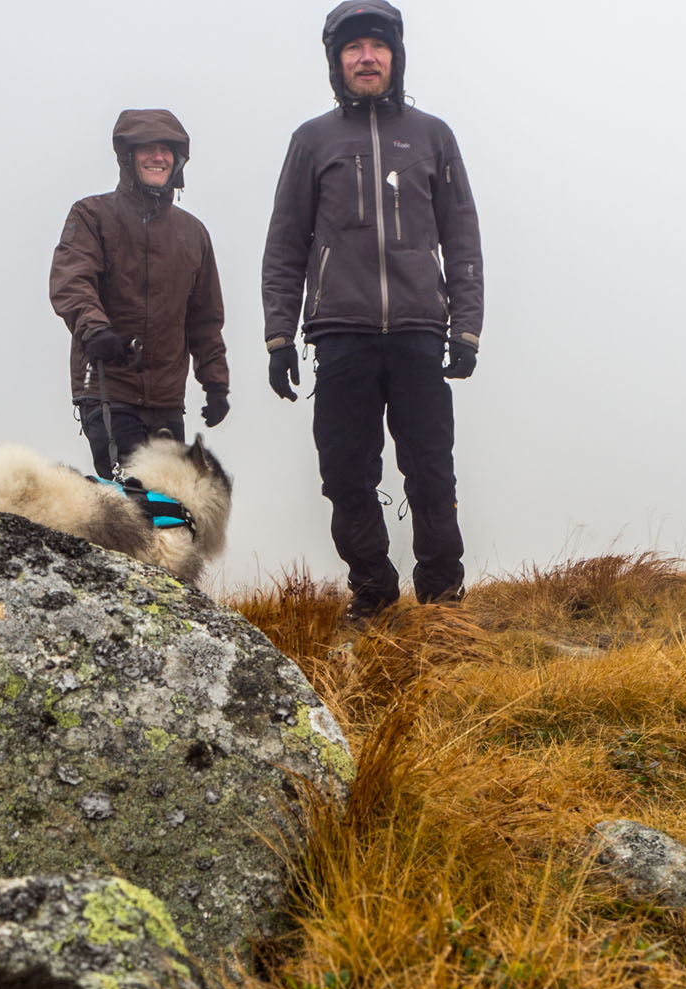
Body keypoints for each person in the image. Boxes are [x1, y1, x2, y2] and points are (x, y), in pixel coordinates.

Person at [262, 0, 484, 623]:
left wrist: (465, 327)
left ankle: (441, 597)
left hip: (419, 330)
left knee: (431, 472)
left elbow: (462, 236)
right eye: (353, 48)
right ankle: (375, 594)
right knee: (345, 475)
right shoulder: (312, 141)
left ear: (396, 56)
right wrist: (279, 336)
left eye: (377, 47)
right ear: (336, 62)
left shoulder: (434, 136)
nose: (367, 57)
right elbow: (285, 243)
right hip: (340, 334)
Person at [51, 109, 230, 479]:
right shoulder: (91, 215)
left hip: (167, 398)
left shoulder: (193, 233)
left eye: (166, 149)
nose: (157, 156)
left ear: (178, 160)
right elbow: (72, 279)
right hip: (107, 386)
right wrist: (93, 328)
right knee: (133, 499)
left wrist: (215, 381)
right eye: (146, 148)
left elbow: (205, 316)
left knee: (169, 504)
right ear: (127, 156)